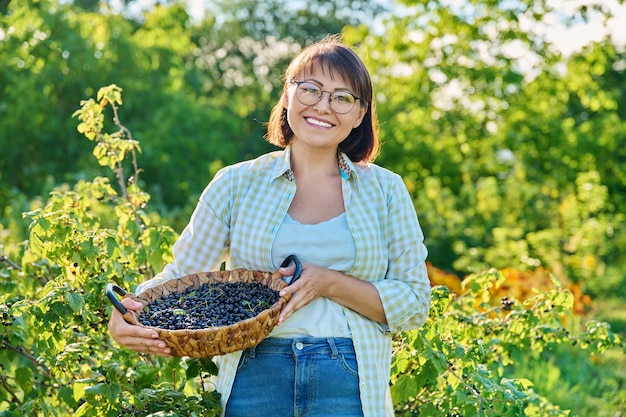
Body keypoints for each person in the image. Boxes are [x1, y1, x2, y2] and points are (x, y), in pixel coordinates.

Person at [108, 34, 431, 417]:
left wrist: (328, 282)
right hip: (253, 372)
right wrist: (132, 311)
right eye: (310, 89)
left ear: (360, 114)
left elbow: (414, 303)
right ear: (288, 96)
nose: (323, 106)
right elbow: (182, 275)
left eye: (342, 97)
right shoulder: (235, 183)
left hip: (348, 376)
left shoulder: (385, 190)